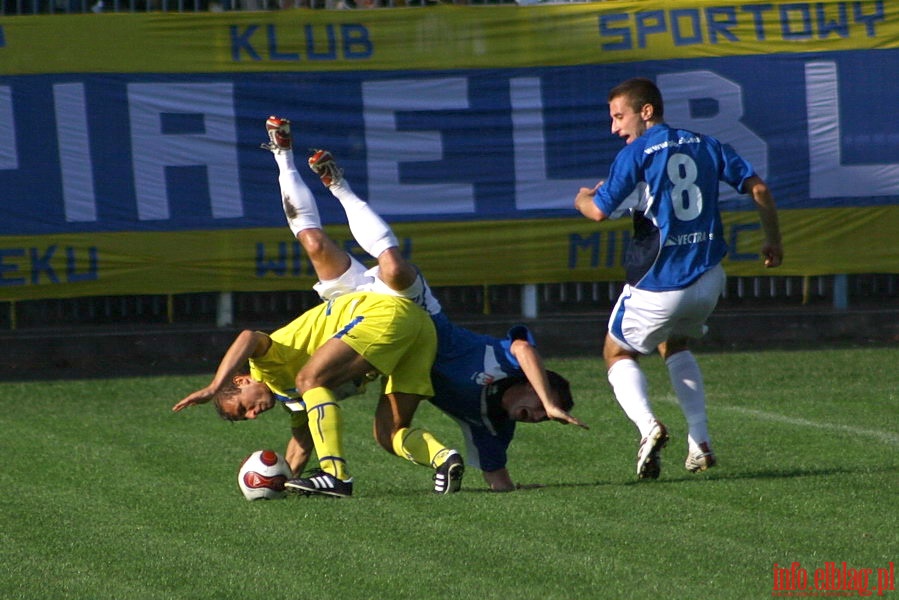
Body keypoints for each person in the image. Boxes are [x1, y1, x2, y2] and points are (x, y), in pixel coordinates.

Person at [263, 115, 587, 492]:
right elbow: (524, 348)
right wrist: (550, 402)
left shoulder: (494, 423)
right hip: (422, 315)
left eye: (540, 419)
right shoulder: (502, 361)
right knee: (389, 267)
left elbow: (499, 480)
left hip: (404, 355)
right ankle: (313, 171)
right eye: (540, 408)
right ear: (534, 384)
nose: (535, 417)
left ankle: (438, 461)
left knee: (388, 434)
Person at [574, 77, 783, 480]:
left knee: (616, 354)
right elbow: (758, 187)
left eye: (620, 116)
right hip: (708, 280)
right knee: (676, 342)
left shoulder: (636, 153)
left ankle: (648, 426)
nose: (615, 127)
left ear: (646, 111)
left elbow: (599, 211)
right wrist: (773, 240)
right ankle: (700, 442)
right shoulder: (704, 143)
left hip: (660, 282)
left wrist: (581, 197)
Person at [171, 288, 439, 498]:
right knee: (388, 433)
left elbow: (248, 337)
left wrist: (214, 387)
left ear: (242, 381)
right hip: (420, 327)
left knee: (309, 379)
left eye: (244, 408)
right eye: (246, 417)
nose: (253, 416)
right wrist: (279, 484)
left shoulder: (264, 362)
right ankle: (444, 460)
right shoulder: (291, 398)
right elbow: (301, 444)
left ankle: (336, 476)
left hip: (384, 314)